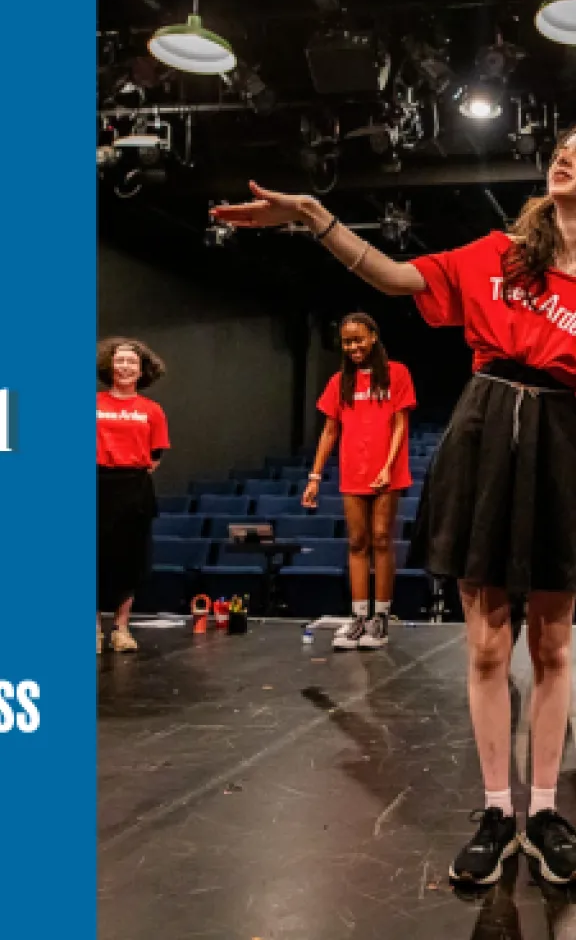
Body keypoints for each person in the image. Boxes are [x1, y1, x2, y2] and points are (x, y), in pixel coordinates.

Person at [211, 127, 576, 886]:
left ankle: (544, 812)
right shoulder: (499, 253)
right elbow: (394, 276)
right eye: (563, 147)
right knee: (486, 648)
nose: (566, 155)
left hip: (564, 440)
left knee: (553, 648)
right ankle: (496, 811)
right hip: (485, 429)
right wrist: (314, 216)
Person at [302, 313, 416, 651]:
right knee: (357, 541)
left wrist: (388, 466)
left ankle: (380, 618)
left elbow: (400, 424)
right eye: (347, 342)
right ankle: (359, 617)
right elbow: (329, 431)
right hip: (353, 470)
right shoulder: (340, 381)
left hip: (387, 471)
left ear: (373, 336)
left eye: (358, 340)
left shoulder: (397, 373)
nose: (353, 347)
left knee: (381, 538)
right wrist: (314, 477)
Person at [97, 338, 170, 654]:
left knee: (130, 559)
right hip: (95, 484)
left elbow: (155, 457)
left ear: (142, 371)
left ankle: (121, 628)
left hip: (134, 488)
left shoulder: (152, 410)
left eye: (131, 362)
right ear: (109, 365)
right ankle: (92, 629)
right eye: (120, 360)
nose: (125, 366)